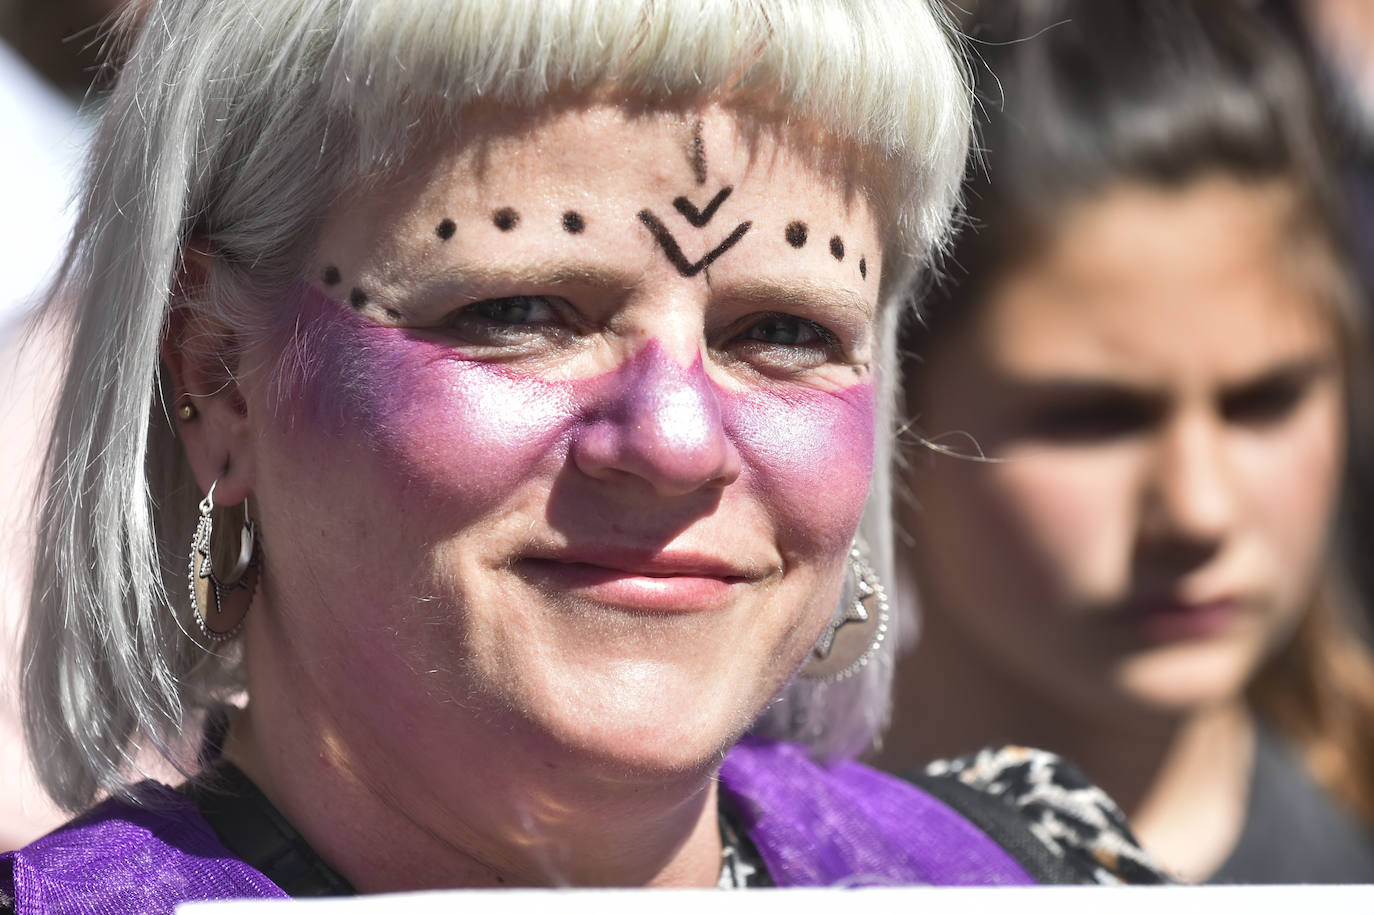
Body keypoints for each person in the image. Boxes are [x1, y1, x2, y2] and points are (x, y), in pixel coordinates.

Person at [0, 0, 1167, 909]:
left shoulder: (1031, 877)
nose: (672, 440)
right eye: (521, 312)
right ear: (217, 376)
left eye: (783, 332)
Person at [881, 0, 1374, 884]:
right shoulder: (683, 848)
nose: (1198, 509)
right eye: (1093, 418)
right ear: (894, 409)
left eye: (1265, 401)